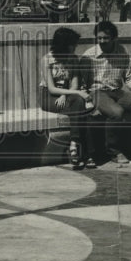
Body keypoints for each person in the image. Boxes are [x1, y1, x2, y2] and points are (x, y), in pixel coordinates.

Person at [83, 20, 131, 165]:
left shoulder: (122, 51)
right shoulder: (89, 55)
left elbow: (130, 77)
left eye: (106, 38)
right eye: (99, 38)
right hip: (97, 93)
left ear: (114, 38)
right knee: (116, 112)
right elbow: (81, 83)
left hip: (117, 92)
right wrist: (88, 102)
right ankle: (114, 152)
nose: (102, 41)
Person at [39, 27, 97, 170]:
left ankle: (73, 146)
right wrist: (74, 93)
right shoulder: (47, 59)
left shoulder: (73, 59)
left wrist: (65, 94)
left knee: (80, 107)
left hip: (68, 95)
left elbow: (75, 85)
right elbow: (52, 88)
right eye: (73, 44)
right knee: (82, 108)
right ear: (64, 44)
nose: (76, 47)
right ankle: (88, 154)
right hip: (49, 96)